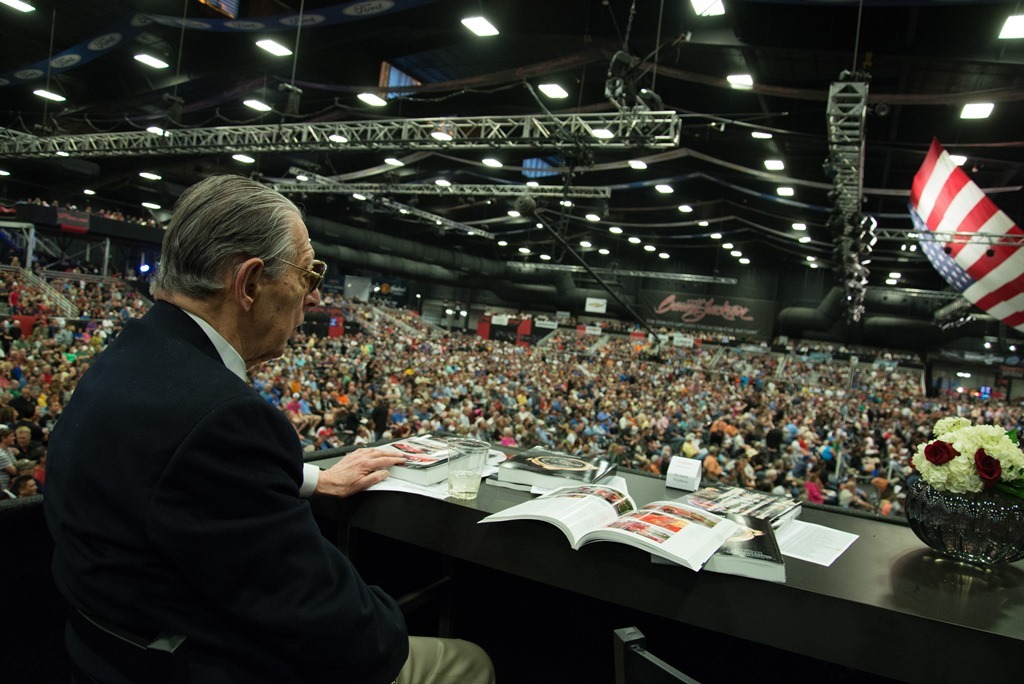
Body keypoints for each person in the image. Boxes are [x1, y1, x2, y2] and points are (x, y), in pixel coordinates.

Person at [44, 175, 494, 684]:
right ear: (250, 283)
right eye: (309, 275)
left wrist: (310, 478)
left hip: (112, 653)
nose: (311, 298)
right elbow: (343, 634)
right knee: (469, 662)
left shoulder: (125, 361)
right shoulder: (221, 417)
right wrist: (390, 615)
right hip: (205, 665)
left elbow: (169, 472)